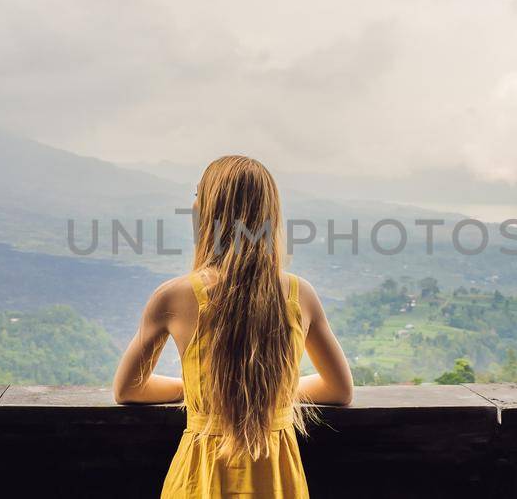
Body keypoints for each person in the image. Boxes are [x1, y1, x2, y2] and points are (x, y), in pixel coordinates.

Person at [113, 155, 354, 498]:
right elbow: (339, 390)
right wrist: (270, 394)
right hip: (277, 481)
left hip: (200, 479)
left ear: (211, 211)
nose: (193, 203)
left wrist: (201, 389)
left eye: (198, 194)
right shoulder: (301, 295)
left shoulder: (172, 297)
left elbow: (128, 389)